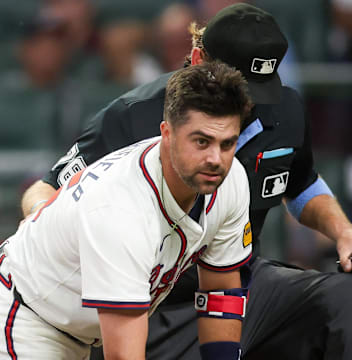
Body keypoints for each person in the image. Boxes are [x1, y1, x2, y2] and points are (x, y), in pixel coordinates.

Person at [21, 3, 352, 360]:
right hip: (147, 303)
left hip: (241, 282)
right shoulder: (134, 115)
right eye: (238, 83)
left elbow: (301, 184)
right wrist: (50, 230)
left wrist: (343, 231)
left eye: (258, 88)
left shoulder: (284, 108)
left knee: (343, 300)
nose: (245, 103)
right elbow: (47, 189)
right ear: (198, 58)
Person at [0, 61, 253, 360]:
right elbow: (123, 356)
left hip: (68, 332)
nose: (215, 158)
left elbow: (221, 293)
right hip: (17, 319)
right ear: (166, 133)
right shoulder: (120, 206)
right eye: (201, 141)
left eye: (227, 143)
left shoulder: (231, 180)